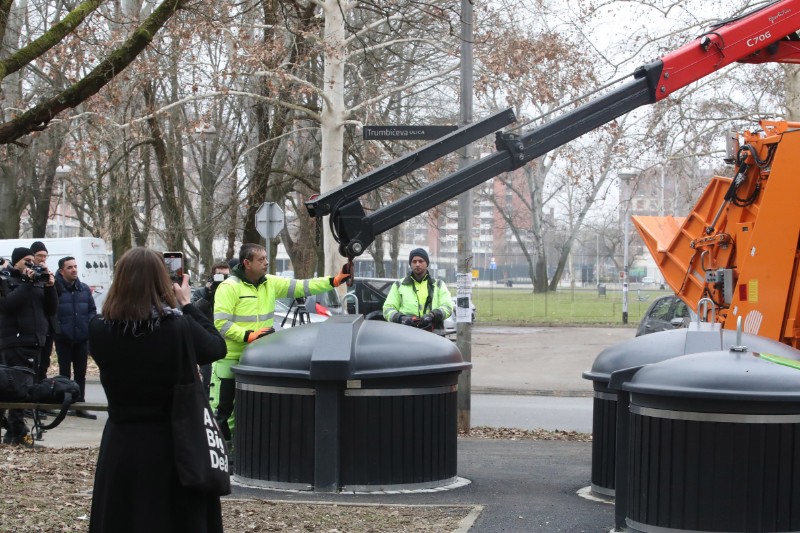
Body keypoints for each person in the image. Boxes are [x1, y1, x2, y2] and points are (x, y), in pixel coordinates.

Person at [87, 247, 226, 533]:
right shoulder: (177, 327)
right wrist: (187, 305)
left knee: (123, 516)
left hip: (121, 442)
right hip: (173, 443)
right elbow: (215, 347)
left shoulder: (99, 329)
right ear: (162, 281)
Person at [210, 243, 350, 446]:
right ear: (247, 263)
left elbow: (304, 286)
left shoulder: (271, 283)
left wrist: (335, 280)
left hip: (258, 358)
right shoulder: (229, 287)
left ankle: (243, 452)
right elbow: (221, 323)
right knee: (225, 411)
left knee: (252, 410)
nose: (266, 262)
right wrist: (248, 335)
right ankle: (226, 455)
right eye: (261, 259)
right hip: (230, 359)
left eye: (266, 258)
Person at [0, 247, 58, 446]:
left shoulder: (37, 284)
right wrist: (26, 282)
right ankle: (17, 430)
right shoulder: (8, 281)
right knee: (16, 387)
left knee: (26, 388)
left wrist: (50, 287)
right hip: (14, 342)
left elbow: (51, 309)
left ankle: (14, 431)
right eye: (27, 261)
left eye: (34, 261)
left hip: (35, 341)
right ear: (16, 262)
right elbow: (7, 305)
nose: (31, 265)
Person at [54, 256, 97, 419]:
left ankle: (80, 404)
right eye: (70, 267)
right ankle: (65, 404)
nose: (74, 270)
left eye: (75, 266)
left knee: (81, 374)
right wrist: (59, 328)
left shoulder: (84, 289)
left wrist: (88, 325)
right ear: (61, 271)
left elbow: (92, 310)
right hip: (63, 339)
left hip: (81, 338)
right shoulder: (56, 288)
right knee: (64, 374)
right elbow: (52, 310)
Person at [383, 247, 453, 335]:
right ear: (410, 264)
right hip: (406, 335)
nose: (417, 264)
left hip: (434, 336)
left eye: (421, 261)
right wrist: (402, 318)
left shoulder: (438, 284)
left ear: (427, 263)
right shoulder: (399, 285)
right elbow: (387, 309)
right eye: (414, 261)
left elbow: (448, 307)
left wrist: (432, 315)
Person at [191, 261, 231, 392]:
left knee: (225, 382)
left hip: (228, 341)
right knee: (207, 379)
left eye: (226, 276)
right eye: (219, 276)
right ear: (212, 277)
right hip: (207, 341)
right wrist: (209, 294)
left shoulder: (232, 292)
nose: (223, 279)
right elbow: (194, 312)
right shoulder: (201, 292)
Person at [31, 241, 58, 385]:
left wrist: (50, 280)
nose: (42, 259)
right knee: (34, 363)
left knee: (44, 363)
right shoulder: (29, 276)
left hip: (48, 327)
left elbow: (58, 295)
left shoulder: (48, 274)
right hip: (34, 327)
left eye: (45, 256)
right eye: (39, 255)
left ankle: (41, 393)